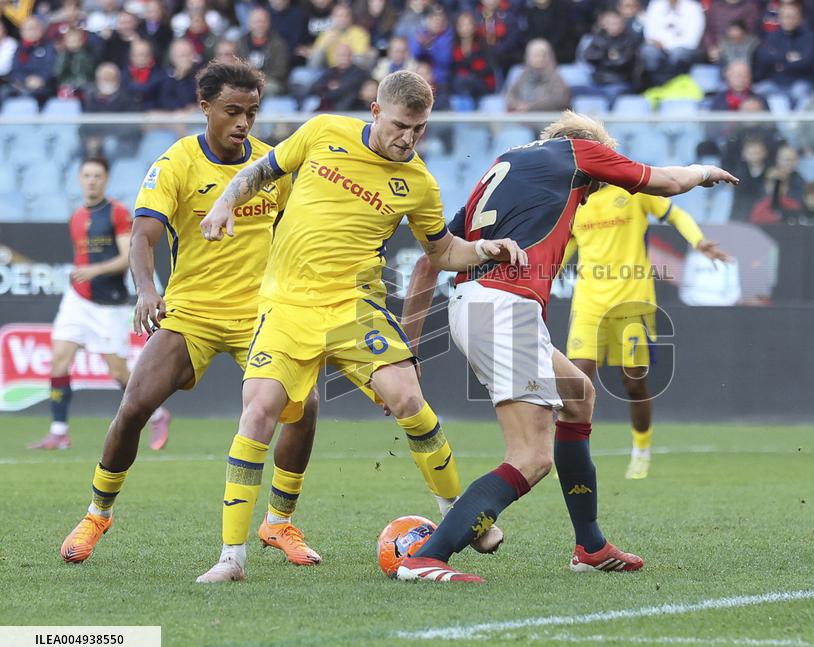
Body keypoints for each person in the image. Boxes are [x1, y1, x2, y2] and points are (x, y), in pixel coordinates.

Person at [195, 70, 515, 583]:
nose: (408, 138)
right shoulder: (323, 132)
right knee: (259, 411)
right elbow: (261, 170)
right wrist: (225, 200)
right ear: (374, 112)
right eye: (400, 126)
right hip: (288, 304)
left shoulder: (419, 183)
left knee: (408, 398)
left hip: (355, 305)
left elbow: (442, 251)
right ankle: (231, 557)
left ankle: (463, 517)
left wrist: (482, 250)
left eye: (419, 128)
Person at [396, 111, 738, 582]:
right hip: (504, 305)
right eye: (593, 186)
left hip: (475, 303)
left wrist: (408, 348)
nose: (589, 196)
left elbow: (427, 264)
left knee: (578, 393)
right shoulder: (578, 152)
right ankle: (426, 557)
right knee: (531, 457)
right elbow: (663, 182)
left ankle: (590, 545)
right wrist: (704, 173)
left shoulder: (505, 167)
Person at [58, 59, 319, 569]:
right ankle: (97, 513)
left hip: (262, 315)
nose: (243, 122)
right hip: (192, 312)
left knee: (304, 411)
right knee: (134, 405)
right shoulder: (176, 162)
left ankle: (279, 522)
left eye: (251, 112)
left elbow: (299, 230)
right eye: (231, 111)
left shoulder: (272, 165)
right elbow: (143, 234)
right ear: (205, 109)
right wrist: (145, 289)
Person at [563, 185, 730, 479]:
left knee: (633, 382)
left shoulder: (632, 190)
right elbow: (561, 253)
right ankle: (573, 455)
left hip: (633, 302)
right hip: (589, 303)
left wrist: (699, 241)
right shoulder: (574, 203)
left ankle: (641, 451)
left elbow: (674, 213)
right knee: (577, 381)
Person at [27, 159, 168, 451]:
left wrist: (94, 271)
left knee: (117, 371)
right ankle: (59, 432)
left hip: (108, 305)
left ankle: (157, 415)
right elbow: (82, 259)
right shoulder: (76, 216)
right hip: (77, 301)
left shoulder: (117, 212)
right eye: (87, 175)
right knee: (58, 360)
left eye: (97, 176)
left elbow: (126, 256)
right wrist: (81, 275)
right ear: (79, 179)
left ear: (106, 180)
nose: (91, 181)